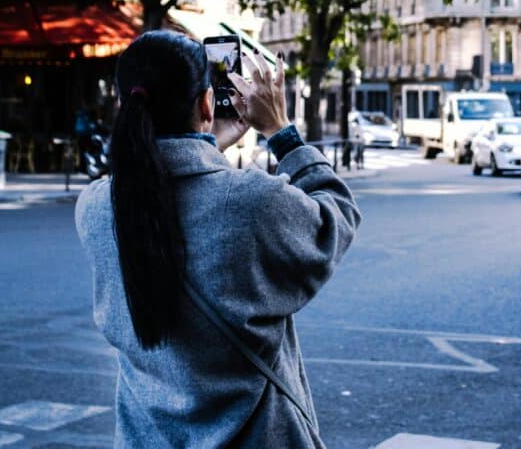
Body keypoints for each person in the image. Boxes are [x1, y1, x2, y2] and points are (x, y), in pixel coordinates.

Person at [75, 30, 360, 448]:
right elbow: (336, 215)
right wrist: (280, 131)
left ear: (124, 104)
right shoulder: (252, 202)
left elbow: (170, 193)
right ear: (207, 103)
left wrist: (205, 148)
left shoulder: (95, 208)